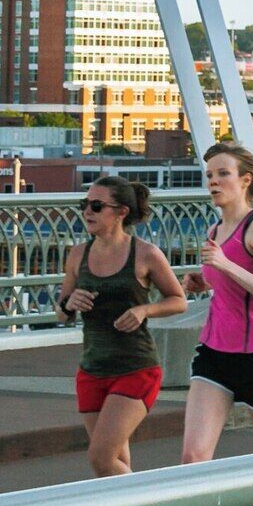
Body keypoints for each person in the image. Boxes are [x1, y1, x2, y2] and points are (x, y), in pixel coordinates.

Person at [58, 175, 189, 478]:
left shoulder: (145, 254)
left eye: (96, 205)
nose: (87, 211)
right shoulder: (78, 254)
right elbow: (62, 313)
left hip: (135, 368)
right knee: (114, 464)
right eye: (84, 205)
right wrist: (69, 303)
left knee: (101, 457)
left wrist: (145, 309)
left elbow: (178, 300)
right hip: (92, 369)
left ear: (121, 212)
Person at [180, 139, 253, 466]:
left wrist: (224, 265)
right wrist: (202, 282)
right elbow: (227, 282)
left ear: (245, 180)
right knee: (193, 456)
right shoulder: (215, 229)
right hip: (215, 353)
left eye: (222, 174)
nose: (213, 181)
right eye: (209, 175)